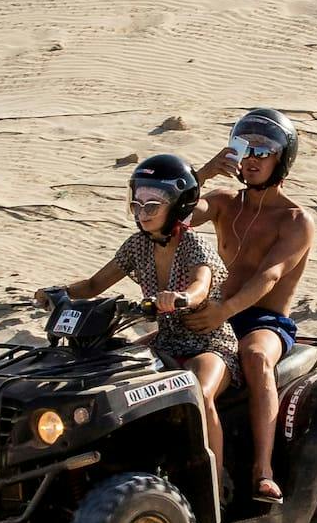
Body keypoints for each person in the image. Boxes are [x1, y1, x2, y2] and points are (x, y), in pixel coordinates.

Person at [55, 153, 232, 492]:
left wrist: (180, 298)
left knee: (200, 393)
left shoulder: (195, 245)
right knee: (107, 369)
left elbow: (200, 286)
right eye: (137, 204)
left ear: (179, 206)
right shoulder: (137, 245)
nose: (143, 212)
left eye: (154, 204)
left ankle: (215, 482)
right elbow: (94, 285)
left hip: (209, 343)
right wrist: (58, 292)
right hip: (165, 341)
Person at [192, 108, 317, 511]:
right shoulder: (224, 202)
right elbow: (168, 216)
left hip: (263, 319)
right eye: (244, 147)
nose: (252, 158)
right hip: (217, 311)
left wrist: (224, 311)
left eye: (263, 150)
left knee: (256, 356)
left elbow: (270, 276)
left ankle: (262, 470)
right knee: (143, 352)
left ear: (283, 159)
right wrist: (202, 175)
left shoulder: (295, 219)